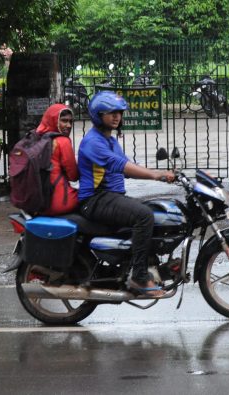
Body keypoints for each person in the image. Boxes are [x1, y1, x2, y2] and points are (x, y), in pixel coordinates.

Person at [77, 91, 175, 297]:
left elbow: (128, 166)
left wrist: (163, 173)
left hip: (111, 197)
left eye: (119, 113)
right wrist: (157, 175)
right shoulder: (93, 142)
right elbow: (120, 165)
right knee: (143, 215)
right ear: (98, 115)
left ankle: (137, 266)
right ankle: (139, 277)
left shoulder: (110, 141)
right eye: (111, 113)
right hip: (96, 199)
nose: (117, 116)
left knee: (153, 211)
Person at [37, 104, 79, 216]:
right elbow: (73, 175)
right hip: (59, 202)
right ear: (54, 120)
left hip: (37, 203)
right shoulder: (62, 141)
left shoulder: (36, 138)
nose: (69, 125)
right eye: (64, 121)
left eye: (70, 121)